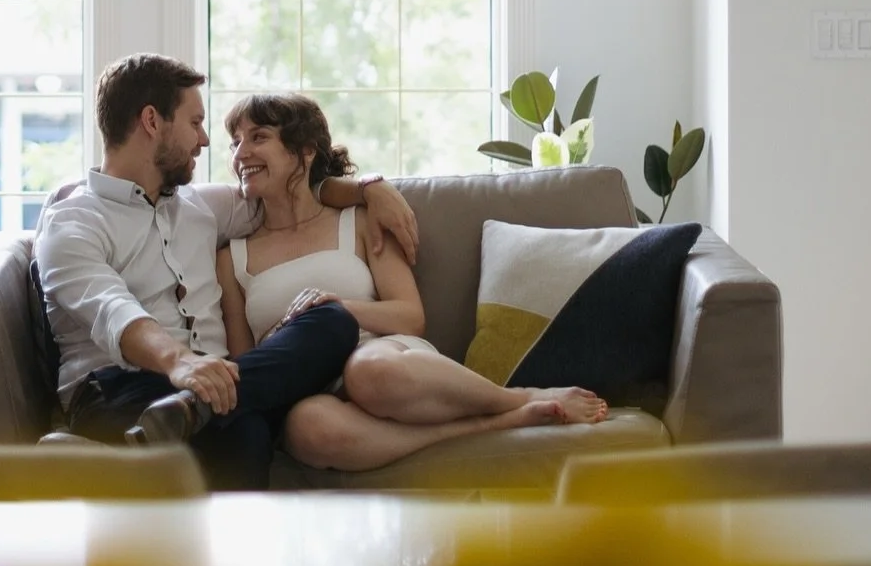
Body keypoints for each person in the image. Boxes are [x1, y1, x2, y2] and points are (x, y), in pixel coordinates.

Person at [33, 54, 421, 491]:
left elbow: (291, 187)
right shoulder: (73, 222)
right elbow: (112, 310)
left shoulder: (203, 207)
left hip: (224, 384)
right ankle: (166, 429)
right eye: (195, 122)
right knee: (244, 432)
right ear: (151, 121)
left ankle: (142, 446)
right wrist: (181, 363)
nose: (204, 141)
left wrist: (372, 188)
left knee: (331, 320)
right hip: (120, 389)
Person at [218, 92, 609, 473]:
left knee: (369, 374)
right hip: (308, 387)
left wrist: (336, 308)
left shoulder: (360, 220)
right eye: (235, 142)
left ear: (304, 151)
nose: (240, 154)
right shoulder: (231, 257)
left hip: (383, 355)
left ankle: (515, 398)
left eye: (258, 138)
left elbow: (410, 317)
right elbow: (245, 366)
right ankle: (499, 422)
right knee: (309, 430)